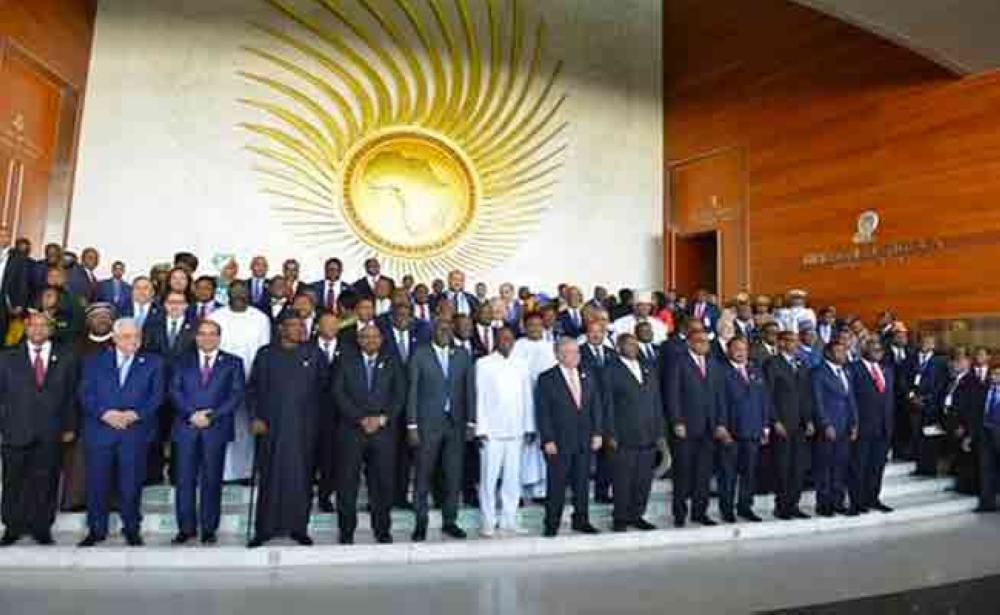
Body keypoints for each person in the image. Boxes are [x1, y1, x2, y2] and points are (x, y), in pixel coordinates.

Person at [78, 318, 165, 547]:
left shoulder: (153, 363)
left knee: (131, 484)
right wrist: (105, 413)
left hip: (134, 432)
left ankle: (132, 529)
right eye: (127, 336)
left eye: (137, 336)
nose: (133, 341)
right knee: (97, 483)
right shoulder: (93, 361)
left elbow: (157, 396)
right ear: (115, 338)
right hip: (100, 431)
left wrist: (135, 414)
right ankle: (96, 530)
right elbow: (85, 393)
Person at [247, 313, 328, 548]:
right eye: (294, 325)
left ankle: (298, 528)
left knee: (301, 479)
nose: (300, 329)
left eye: (302, 325)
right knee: (270, 478)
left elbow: (325, 389)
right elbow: (252, 389)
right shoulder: (266, 354)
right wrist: (255, 417)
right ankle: (264, 529)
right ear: (281, 329)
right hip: (271, 427)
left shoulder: (314, 354)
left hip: (304, 428)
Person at [0, 312, 78, 546]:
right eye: (33, 325)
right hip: (15, 429)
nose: (38, 330)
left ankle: (42, 528)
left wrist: (70, 425)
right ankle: (12, 527)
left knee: (46, 480)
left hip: (51, 430)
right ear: (26, 328)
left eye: (44, 326)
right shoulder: (7, 357)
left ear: (51, 329)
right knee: (13, 480)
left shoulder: (66, 356)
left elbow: (72, 394)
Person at [168, 319, 245, 544]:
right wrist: (191, 414)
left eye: (212, 333)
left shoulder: (233, 362)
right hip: (186, 427)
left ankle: (209, 528)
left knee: (212, 480)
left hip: (216, 428)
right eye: (203, 333)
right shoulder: (181, 361)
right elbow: (174, 390)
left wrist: (212, 416)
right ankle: (186, 529)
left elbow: (236, 394)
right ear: (196, 337)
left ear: (219, 337)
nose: (207, 338)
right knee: (184, 480)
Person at [333, 324, 406, 544]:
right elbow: (338, 392)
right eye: (366, 337)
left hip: (383, 433)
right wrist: (360, 418)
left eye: (375, 337)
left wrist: (383, 418)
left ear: (382, 340)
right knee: (347, 483)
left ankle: (382, 530)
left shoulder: (393, 362)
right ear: (359, 340)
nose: (371, 340)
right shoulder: (345, 360)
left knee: (382, 483)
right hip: (352, 431)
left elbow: (399, 395)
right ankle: (346, 531)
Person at [406, 318, 476, 541]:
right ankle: (421, 522)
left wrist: (471, 422)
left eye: (448, 329)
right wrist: (411, 425)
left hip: (455, 425)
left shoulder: (462, 355)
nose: (445, 332)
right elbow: (412, 390)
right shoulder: (420, 354)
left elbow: (470, 390)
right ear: (433, 331)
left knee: (453, 475)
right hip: (427, 424)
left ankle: (450, 521)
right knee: (423, 474)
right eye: (440, 329)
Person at [210, 281, 271, 482]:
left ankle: (245, 472)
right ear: (228, 295)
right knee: (221, 426)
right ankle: (221, 472)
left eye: (243, 293)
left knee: (246, 428)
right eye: (235, 293)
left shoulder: (260, 319)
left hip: (252, 380)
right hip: (220, 381)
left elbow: (264, 352)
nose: (239, 297)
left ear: (249, 295)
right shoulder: (216, 317)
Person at [475, 327, 534, 536]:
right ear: (495, 341)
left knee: (512, 480)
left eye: (510, 339)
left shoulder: (521, 364)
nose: (507, 342)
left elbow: (527, 396)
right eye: (503, 339)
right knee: (488, 480)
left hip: (516, 430)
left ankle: (509, 519)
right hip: (491, 432)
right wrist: (481, 428)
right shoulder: (483, 364)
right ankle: (488, 521)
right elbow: (479, 396)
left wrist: (529, 426)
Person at [603, 333, 662, 532]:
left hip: (648, 434)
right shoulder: (611, 370)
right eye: (629, 344)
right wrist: (610, 433)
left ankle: (637, 515)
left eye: (635, 344)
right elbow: (607, 404)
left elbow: (656, 400)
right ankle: (620, 518)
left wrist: (659, 430)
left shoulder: (648, 367)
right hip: (623, 435)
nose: (634, 347)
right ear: (619, 347)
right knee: (622, 480)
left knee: (643, 480)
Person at [667, 329, 726, 527]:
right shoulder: (678, 362)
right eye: (699, 341)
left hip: (709, 428)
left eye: (706, 341)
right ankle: (679, 514)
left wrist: (720, 423)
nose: (704, 344)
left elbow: (719, 397)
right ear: (690, 343)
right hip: (686, 426)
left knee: (704, 473)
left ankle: (700, 512)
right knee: (683, 472)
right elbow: (673, 394)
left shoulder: (713, 364)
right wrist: (677, 421)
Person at [142, 290, 197, 484]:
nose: (175, 306)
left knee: (181, 434)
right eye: (171, 302)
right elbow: (146, 353)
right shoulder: (152, 325)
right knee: (155, 432)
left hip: (184, 390)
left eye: (179, 302)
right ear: (165, 305)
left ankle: (177, 474)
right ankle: (153, 475)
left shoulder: (195, 327)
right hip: (157, 387)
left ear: (186, 306)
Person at [718, 336, 770, 523]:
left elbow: (764, 399)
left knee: (749, 473)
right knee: (728, 474)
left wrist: (765, 427)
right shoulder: (721, 372)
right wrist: (721, 426)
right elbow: (718, 402)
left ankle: (745, 507)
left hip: (753, 430)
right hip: (731, 431)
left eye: (744, 349)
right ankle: (727, 510)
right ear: (728, 351)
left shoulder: (755, 370)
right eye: (736, 349)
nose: (741, 352)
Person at [764, 330, 815, 520]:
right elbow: (767, 395)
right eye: (790, 341)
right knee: (783, 467)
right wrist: (774, 420)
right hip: (783, 424)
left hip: (800, 424)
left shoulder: (801, 363)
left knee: (798, 467)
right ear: (781, 343)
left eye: (795, 341)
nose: (794, 344)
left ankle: (794, 505)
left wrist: (809, 420)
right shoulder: (772, 363)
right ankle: (782, 506)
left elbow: (807, 395)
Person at [512, 312, 558, 500]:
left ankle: (542, 490)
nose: (535, 329)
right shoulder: (517, 347)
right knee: (523, 447)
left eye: (539, 325)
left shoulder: (550, 347)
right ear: (524, 327)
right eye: (531, 325)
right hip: (522, 404)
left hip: (546, 404)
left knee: (544, 446)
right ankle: (519, 491)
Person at [811, 340, 859, 517]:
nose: (843, 354)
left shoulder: (846, 371)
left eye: (844, 351)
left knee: (840, 466)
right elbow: (817, 401)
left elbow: (851, 398)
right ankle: (824, 504)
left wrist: (855, 423)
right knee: (825, 467)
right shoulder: (818, 373)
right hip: (829, 427)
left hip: (845, 426)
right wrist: (825, 424)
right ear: (828, 354)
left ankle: (838, 501)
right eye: (839, 351)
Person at [849, 339, 895, 514]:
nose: (878, 352)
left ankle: (873, 499)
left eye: (880, 349)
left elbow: (889, 400)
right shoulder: (854, 369)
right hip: (863, 426)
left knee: (877, 467)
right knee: (859, 466)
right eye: (874, 349)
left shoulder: (886, 370)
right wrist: (854, 423)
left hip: (883, 427)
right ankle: (857, 502)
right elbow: (851, 398)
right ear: (864, 350)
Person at [906, 334, 948, 476]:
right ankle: (920, 466)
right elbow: (904, 379)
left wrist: (927, 399)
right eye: (924, 341)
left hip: (931, 405)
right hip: (913, 404)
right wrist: (911, 396)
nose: (926, 344)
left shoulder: (940, 362)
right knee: (917, 435)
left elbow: (941, 384)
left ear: (934, 345)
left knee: (930, 437)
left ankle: (930, 467)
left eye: (929, 342)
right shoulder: (911, 359)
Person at [314, 311, 342, 513]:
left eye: (334, 324)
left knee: (331, 458)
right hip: (309, 413)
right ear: (318, 327)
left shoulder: (347, 348)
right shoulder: (306, 347)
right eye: (327, 324)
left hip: (338, 414)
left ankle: (325, 496)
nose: (331, 328)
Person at [972, 365, 1000, 512]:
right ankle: (987, 503)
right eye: (993, 374)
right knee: (986, 468)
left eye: (998, 374)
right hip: (985, 433)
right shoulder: (983, 390)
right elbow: (976, 411)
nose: (995, 377)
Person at [0, 241, 29, 345]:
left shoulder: (17, 258)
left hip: (4, 302)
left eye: (5, 235)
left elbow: (22, 282)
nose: (2, 238)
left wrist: (19, 303)